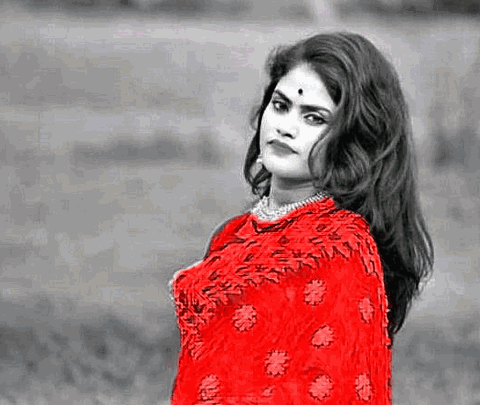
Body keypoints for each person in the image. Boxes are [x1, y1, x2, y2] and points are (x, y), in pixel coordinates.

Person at [168, 31, 434, 404]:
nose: (286, 127)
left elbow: (333, 389)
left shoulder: (340, 250)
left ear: (352, 140)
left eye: (313, 118)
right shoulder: (233, 234)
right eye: (280, 106)